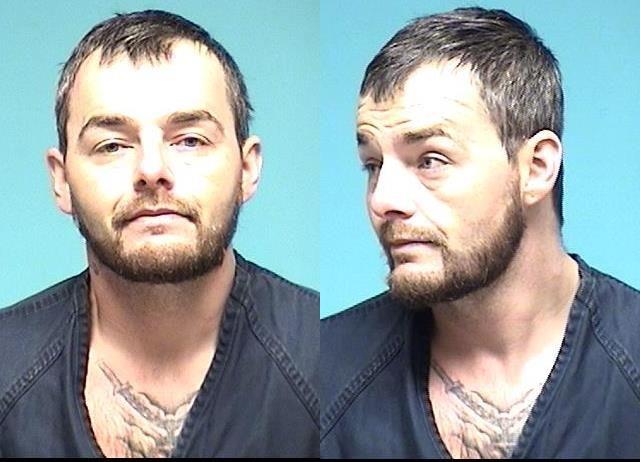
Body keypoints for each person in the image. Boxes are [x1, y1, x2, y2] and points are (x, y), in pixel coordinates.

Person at [320, 7, 640, 458]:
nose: (382, 199)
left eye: (430, 160)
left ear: (536, 168)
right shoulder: (319, 378)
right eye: (373, 165)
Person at [0, 10, 318, 457]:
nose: (152, 170)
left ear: (247, 169)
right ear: (61, 179)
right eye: (112, 145)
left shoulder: (324, 359)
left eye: (189, 140)